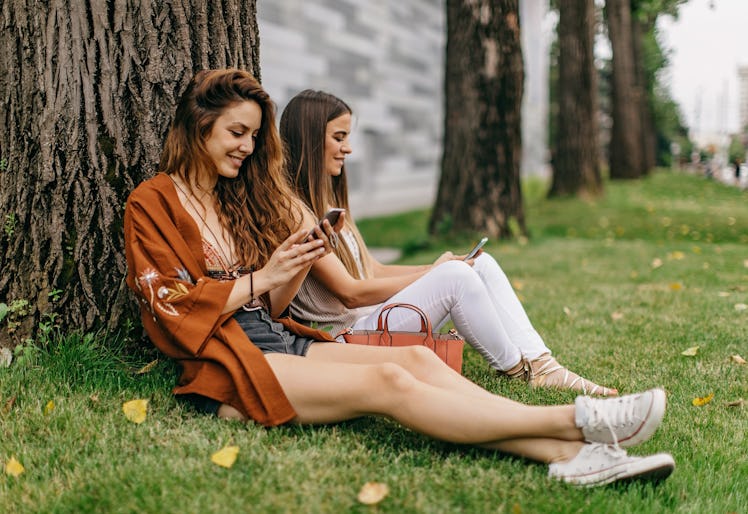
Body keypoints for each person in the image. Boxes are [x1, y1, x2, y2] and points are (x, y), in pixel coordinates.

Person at [124, 69, 674, 487]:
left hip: (278, 341)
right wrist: (264, 274)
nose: (246, 148)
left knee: (412, 359)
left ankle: (571, 458)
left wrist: (285, 270)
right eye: (235, 133)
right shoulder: (150, 203)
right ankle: (579, 424)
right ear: (197, 128)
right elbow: (171, 308)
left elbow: (270, 310)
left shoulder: (232, 201)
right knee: (390, 385)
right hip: (230, 366)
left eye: (251, 136)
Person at [280, 90, 616, 396]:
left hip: (372, 319)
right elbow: (350, 293)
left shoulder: (328, 197)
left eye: (347, 137)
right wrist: (439, 272)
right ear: (310, 139)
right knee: (456, 278)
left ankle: (543, 363)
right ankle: (518, 368)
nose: (348, 148)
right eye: (339, 138)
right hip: (346, 338)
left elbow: (373, 269)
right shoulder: (295, 212)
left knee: (478, 263)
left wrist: (435, 266)